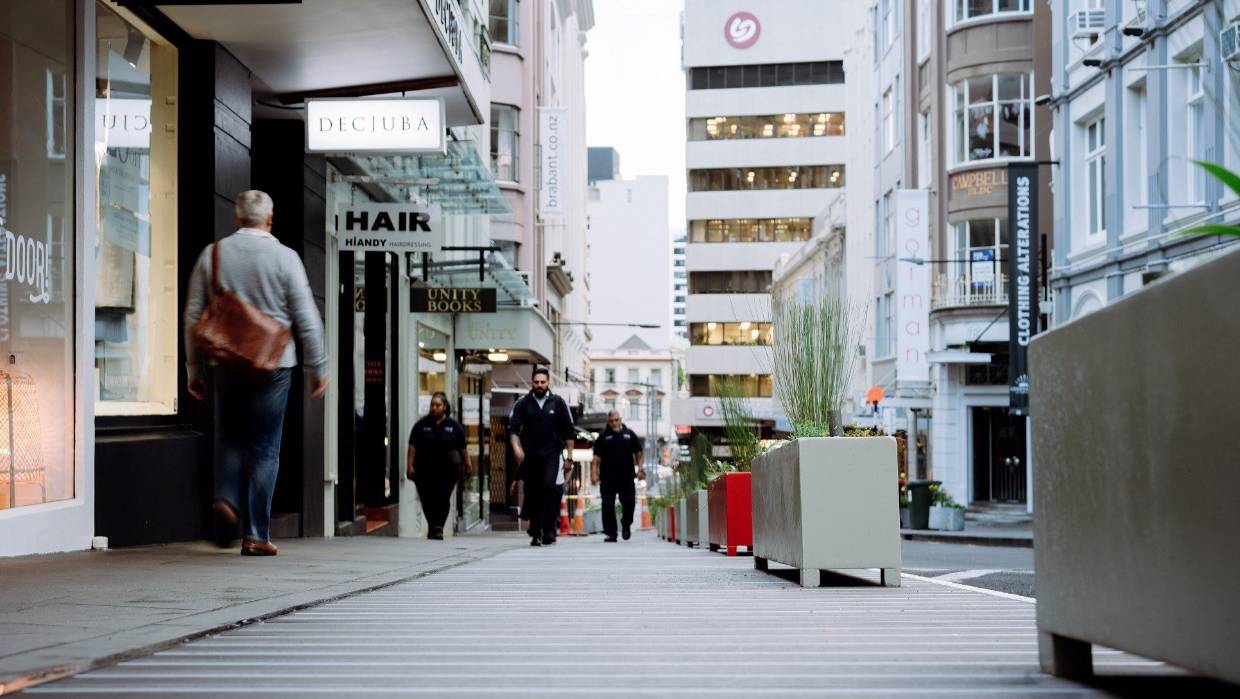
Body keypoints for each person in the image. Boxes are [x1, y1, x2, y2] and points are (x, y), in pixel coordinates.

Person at [184, 190, 329, 557]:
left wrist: (193, 367)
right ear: (270, 219)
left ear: (236, 218)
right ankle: (255, 533)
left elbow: (193, 315)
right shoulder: (286, 258)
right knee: (265, 447)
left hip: (226, 360)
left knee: (229, 436)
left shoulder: (212, 254)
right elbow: (306, 316)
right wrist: (319, 366)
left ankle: (226, 498)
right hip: (274, 363)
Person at [508, 367, 575, 546]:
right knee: (533, 493)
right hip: (530, 456)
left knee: (548, 487)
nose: (539, 385)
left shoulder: (558, 403)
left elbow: (569, 432)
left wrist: (569, 457)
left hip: (551, 455)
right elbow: (513, 430)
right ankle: (536, 532)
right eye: (536, 382)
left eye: (542, 382)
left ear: (548, 383)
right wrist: (516, 448)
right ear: (532, 383)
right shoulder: (522, 404)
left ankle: (549, 529)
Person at [406, 392, 471, 540]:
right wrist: (409, 465)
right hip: (424, 470)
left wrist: (468, 465)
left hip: (447, 471)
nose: (434, 408)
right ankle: (432, 524)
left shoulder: (454, 427)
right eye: (432, 405)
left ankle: (439, 527)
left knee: (443, 498)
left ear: (445, 407)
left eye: (437, 405)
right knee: (427, 499)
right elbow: (412, 446)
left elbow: (462, 448)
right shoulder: (421, 425)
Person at [591, 411, 644, 542]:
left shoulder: (629, 434)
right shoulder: (603, 436)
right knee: (607, 505)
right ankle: (611, 533)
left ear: (620, 419)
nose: (614, 423)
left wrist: (641, 469)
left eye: (616, 420)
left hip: (626, 476)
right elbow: (596, 457)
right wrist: (593, 473)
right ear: (608, 422)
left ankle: (626, 524)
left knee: (629, 502)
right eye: (611, 421)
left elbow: (638, 452)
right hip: (607, 477)